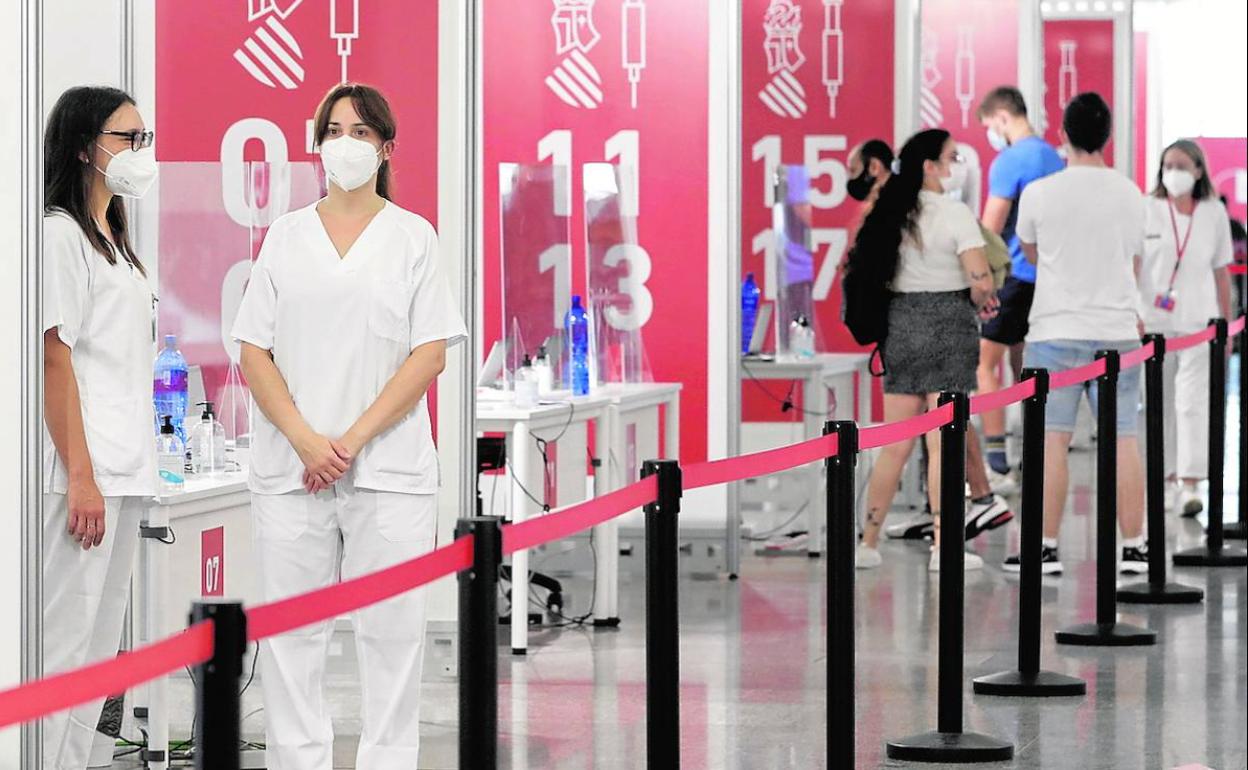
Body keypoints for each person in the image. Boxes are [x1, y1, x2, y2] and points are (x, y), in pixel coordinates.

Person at [232, 83, 466, 768]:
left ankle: (388, 760)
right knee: (291, 637)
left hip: (388, 467)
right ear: (317, 143)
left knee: (392, 633)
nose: (346, 142)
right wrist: (306, 439)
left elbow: (429, 355)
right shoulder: (286, 235)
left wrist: (350, 440)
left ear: (387, 147)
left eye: (362, 132)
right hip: (290, 466)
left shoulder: (412, 237)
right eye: (334, 129)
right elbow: (253, 348)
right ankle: (295, 761)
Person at [41, 86, 159, 768]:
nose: (140, 152)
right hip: (81, 477)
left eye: (144, 138)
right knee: (63, 644)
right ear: (87, 147)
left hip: (122, 467)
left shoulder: (116, 239)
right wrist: (80, 476)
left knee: (96, 649)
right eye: (126, 138)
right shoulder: (60, 234)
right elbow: (54, 360)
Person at [1005, 92, 1148, 575]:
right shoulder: (1131, 193)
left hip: (1054, 330)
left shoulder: (1040, 193)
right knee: (1124, 439)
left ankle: (1044, 548)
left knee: (1051, 443)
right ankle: (1134, 546)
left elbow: (1029, 247)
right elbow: (1134, 257)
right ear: (1108, 137)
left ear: (1062, 135)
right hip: (1118, 331)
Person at [847, 137, 1013, 546]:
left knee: (894, 445)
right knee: (943, 444)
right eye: (952, 157)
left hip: (901, 325)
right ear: (929, 166)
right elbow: (979, 277)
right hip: (949, 326)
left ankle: (867, 542)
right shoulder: (954, 213)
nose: (957, 164)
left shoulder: (888, 211)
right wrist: (983, 294)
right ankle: (944, 544)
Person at [1138, 140, 1233, 516]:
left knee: (1192, 402)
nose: (1172, 172)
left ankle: (1190, 484)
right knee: (1159, 404)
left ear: (1198, 170)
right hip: (1156, 323)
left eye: (1180, 165)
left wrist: (1225, 323)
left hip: (1199, 322)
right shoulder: (1148, 210)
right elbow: (1134, 263)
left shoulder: (1213, 213)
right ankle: (1163, 477)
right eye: (1167, 165)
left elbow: (1221, 270)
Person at [976, 87, 1065, 484]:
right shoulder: (1054, 158)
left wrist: (975, 275)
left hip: (1013, 277)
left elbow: (990, 226)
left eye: (988, 126)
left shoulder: (1010, 160)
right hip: (1049, 278)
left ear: (1001, 117)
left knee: (983, 362)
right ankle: (1033, 451)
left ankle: (996, 461)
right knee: (1024, 364)